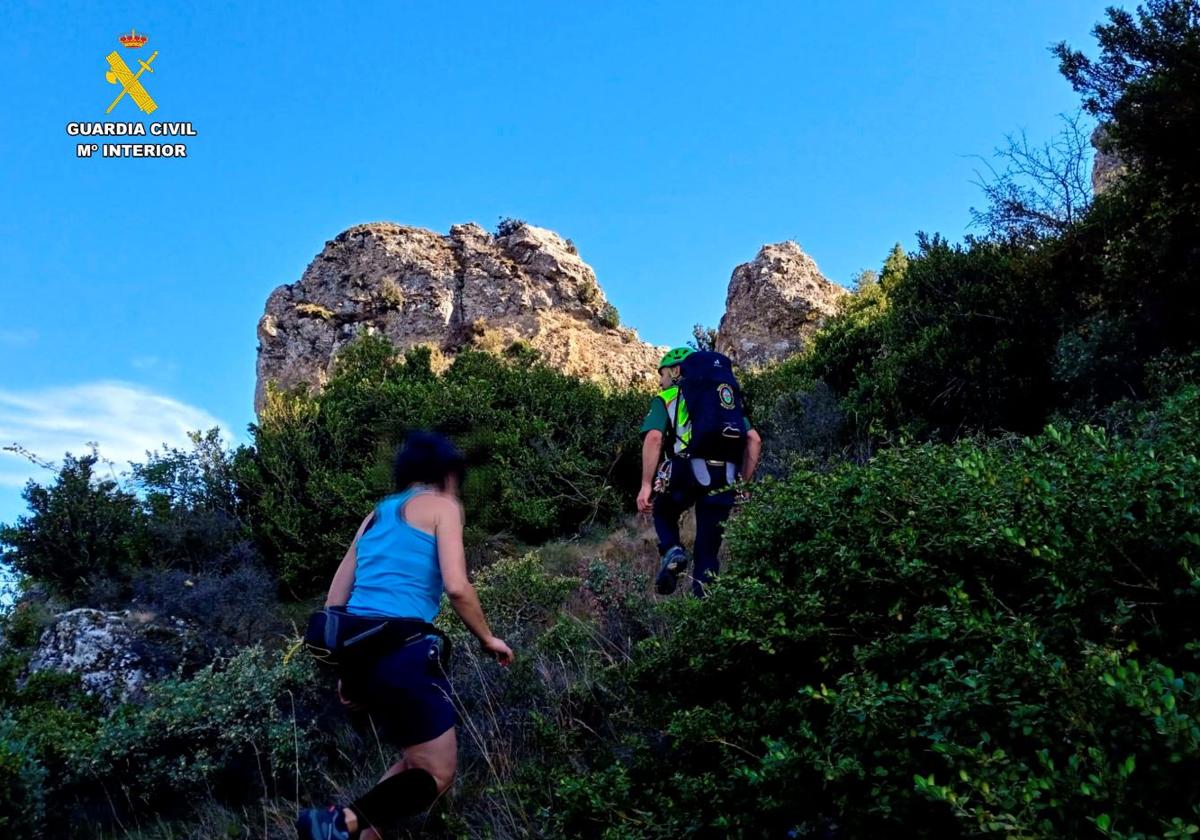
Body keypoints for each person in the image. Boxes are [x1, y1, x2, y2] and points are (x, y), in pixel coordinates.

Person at [297, 431, 514, 840]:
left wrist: (348, 672)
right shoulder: (443, 505)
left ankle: (360, 833)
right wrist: (488, 638)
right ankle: (336, 822)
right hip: (404, 651)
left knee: (414, 763)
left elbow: (335, 598)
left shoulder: (376, 515)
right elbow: (457, 587)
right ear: (447, 473)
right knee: (436, 772)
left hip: (359, 653)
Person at [637, 347, 762, 597]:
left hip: (687, 470)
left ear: (676, 370)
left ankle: (672, 549)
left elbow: (653, 438)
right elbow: (753, 439)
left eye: (662, 374)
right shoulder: (726, 399)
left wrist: (646, 485)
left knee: (663, 511)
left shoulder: (668, 397)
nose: (661, 381)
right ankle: (705, 613)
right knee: (707, 552)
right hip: (724, 475)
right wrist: (743, 484)